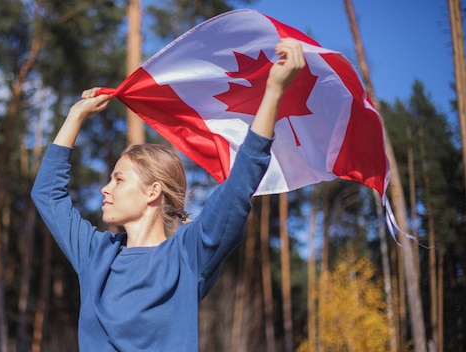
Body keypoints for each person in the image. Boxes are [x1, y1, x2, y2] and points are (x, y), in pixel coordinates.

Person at [31, 38, 305, 351]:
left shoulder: (188, 255)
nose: (105, 189)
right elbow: (47, 195)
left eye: (118, 179)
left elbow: (240, 184)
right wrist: (75, 116)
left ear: (153, 192)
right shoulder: (96, 254)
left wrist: (273, 92)